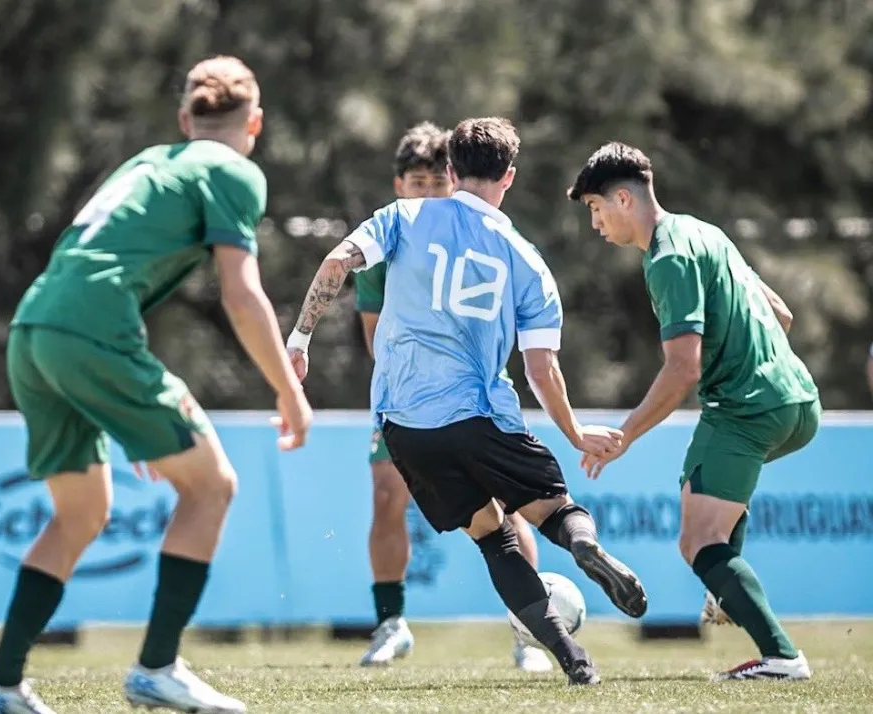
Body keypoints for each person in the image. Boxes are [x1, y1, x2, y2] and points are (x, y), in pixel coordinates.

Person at [0, 56, 312, 714]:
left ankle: (0, 685)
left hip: (35, 326)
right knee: (212, 486)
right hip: (92, 333)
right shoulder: (234, 169)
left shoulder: (147, 162)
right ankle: (157, 667)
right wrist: (289, 393)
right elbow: (241, 297)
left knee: (81, 513)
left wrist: (116, 401)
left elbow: (92, 260)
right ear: (256, 123)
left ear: (186, 119)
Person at [287, 117, 648, 685]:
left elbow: (336, 264)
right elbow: (541, 368)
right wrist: (577, 433)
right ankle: (583, 547)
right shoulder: (528, 260)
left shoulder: (403, 214)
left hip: (406, 425)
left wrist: (300, 340)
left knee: (492, 538)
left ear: (450, 171)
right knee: (552, 512)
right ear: (510, 175)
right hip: (481, 417)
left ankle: (573, 660)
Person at [567, 141, 820, 682]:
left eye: (595, 208)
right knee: (696, 484)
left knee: (698, 540)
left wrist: (626, 434)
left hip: (746, 408)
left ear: (623, 198)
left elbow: (683, 370)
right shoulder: (705, 232)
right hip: (796, 398)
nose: (595, 223)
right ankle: (725, 593)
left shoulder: (668, 257)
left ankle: (782, 657)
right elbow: (782, 313)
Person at [355, 122, 550, 672]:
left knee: (508, 508)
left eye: (435, 183)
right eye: (415, 182)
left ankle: (527, 636)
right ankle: (390, 623)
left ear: (454, 183)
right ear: (399, 184)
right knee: (386, 496)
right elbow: (375, 339)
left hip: (475, 401)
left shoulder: (485, 238)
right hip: (406, 400)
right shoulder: (388, 240)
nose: (425, 193)